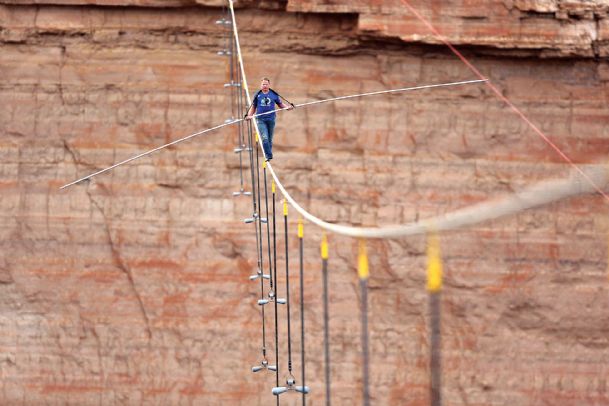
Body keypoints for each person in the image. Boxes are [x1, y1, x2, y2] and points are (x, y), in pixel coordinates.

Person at [245, 77, 293, 161]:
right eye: (263, 84)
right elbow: (253, 107)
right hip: (260, 120)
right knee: (265, 138)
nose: (265, 86)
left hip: (271, 119)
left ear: (269, 85)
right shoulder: (258, 95)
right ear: (261, 85)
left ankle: (268, 155)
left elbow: (280, 104)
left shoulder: (273, 94)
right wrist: (249, 116)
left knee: (270, 139)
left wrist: (287, 108)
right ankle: (268, 155)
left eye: (266, 84)